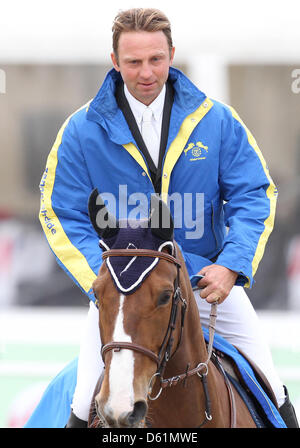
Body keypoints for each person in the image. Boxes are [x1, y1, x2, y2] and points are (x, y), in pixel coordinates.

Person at [39, 8, 298, 428]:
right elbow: (58, 210)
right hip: (123, 291)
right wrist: (106, 279)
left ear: (172, 54)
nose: (146, 72)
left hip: (207, 283)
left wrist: (232, 265)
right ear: (114, 61)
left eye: (156, 59)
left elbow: (255, 194)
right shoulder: (79, 129)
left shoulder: (217, 120)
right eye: (134, 62)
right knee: (84, 397)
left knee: (274, 389)